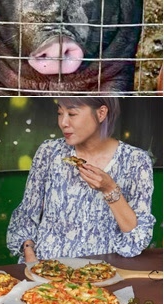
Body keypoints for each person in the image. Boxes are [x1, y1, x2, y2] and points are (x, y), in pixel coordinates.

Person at [9, 97, 155, 262]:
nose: (63, 122)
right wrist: (30, 255)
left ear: (101, 113)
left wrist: (110, 190)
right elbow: (27, 214)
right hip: (46, 270)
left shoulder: (136, 161)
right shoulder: (49, 152)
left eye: (72, 114)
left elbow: (136, 240)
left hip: (103, 272)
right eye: (59, 113)